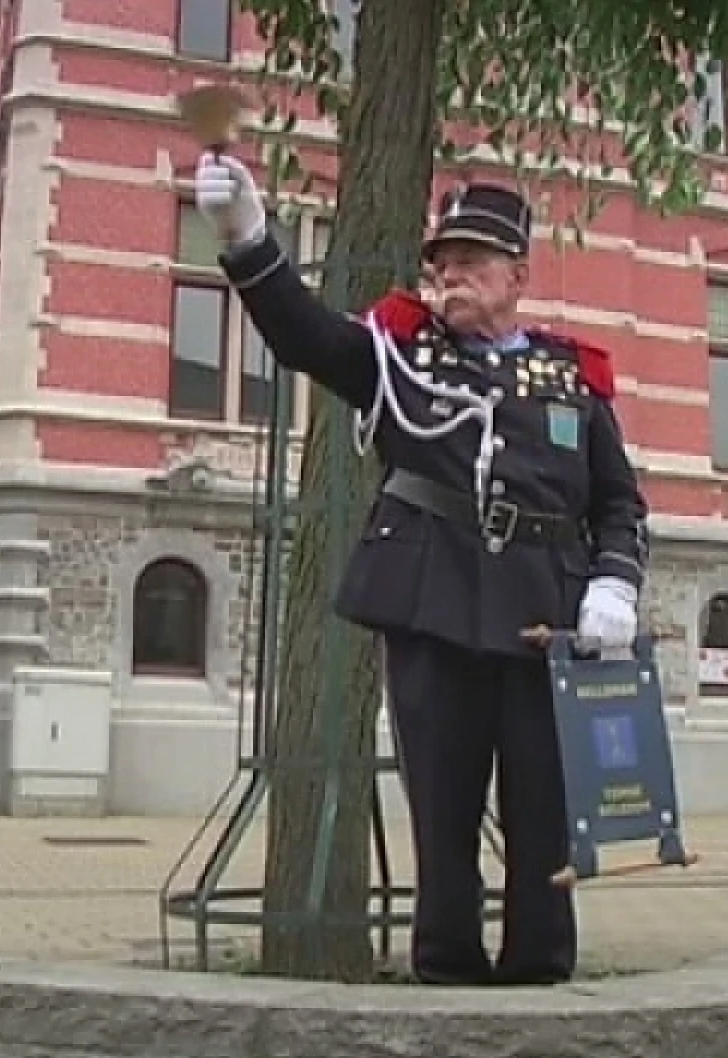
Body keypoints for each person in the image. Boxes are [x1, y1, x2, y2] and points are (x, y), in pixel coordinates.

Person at [193, 152, 650, 987]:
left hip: (545, 610)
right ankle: (445, 975)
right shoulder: (402, 357)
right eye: (443, 261)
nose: (452, 276)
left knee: (544, 812)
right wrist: (249, 241)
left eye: (474, 262)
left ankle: (542, 978)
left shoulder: (572, 378)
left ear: (518, 274)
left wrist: (614, 582)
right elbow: (303, 334)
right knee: (442, 808)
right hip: (434, 602)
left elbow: (618, 502)